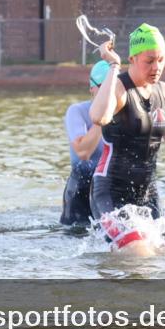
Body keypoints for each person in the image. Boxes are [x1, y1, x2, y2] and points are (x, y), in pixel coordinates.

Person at [90, 24, 165, 255]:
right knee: (139, 254)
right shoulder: (119, 88)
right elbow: (98, 117)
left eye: (161, 60)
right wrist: (113, 66)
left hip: (147, 194)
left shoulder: (164, 92)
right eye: (149, 61)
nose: (157, 67)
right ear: (132, 59)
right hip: (111, 191)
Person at [60, 60, 112, 227]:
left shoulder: (124, 113)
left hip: (110, 188)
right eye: (103, 87)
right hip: (81, 188)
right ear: (92, 88)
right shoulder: (77, 112)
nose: (108, 93)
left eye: (111, 88)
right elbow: (83, 152)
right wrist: (101, 118)